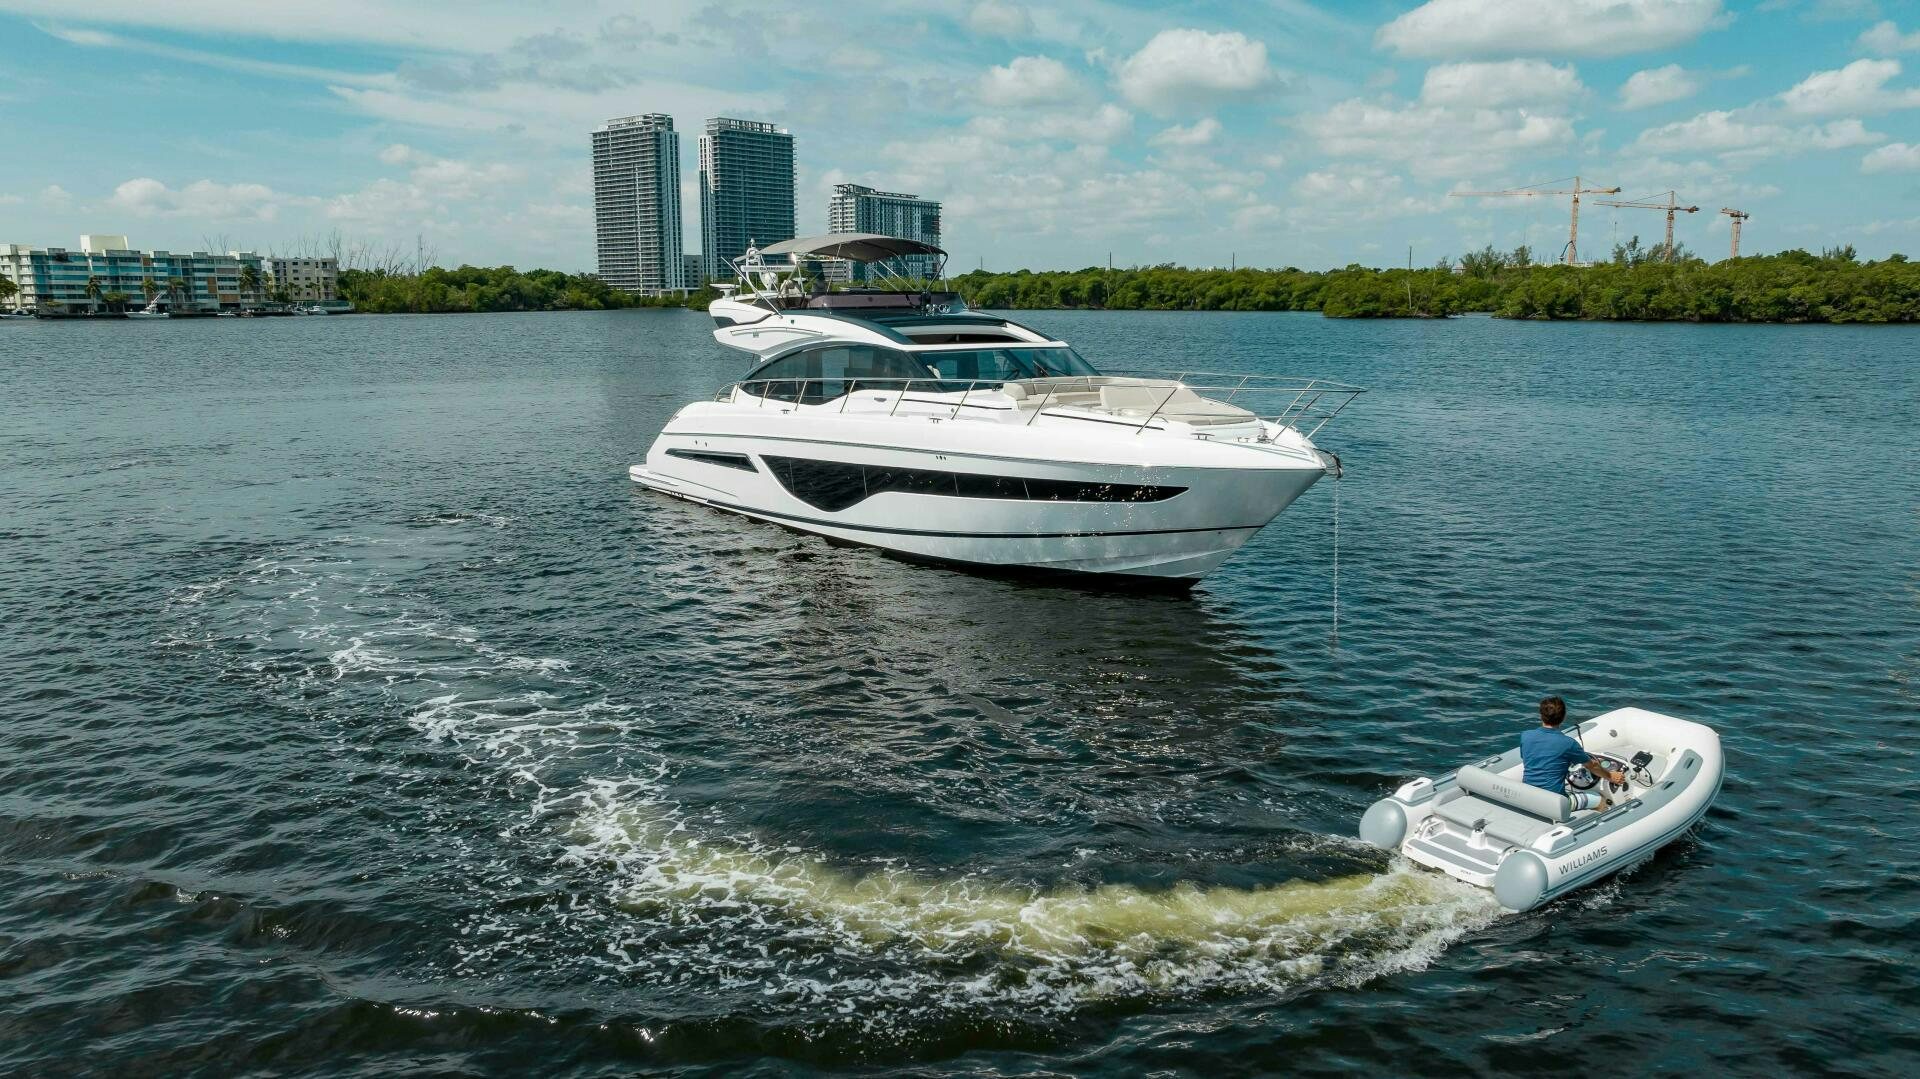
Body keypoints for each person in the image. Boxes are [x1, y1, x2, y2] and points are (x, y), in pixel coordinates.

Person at [1521, 696, 1626, 811]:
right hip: (1554, 802)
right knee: (1601, 800)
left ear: (1541, 715)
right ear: (1563, 717)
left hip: (1528, 795)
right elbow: (1592, 766)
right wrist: (1611, 776)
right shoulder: (1568, 744)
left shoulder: (1526, 736)